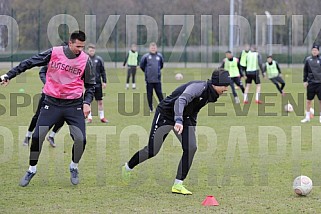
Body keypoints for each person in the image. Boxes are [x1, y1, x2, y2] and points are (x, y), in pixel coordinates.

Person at [0, 30, 95, 187]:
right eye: (78, 46)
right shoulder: (54, 53)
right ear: (70, 43)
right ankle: (31, 169)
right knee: (37, 137)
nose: (80, 50)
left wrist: (87, 102)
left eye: (82, 47)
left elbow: (91, 85)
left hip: (73, 106)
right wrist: (8, 75)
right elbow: (29, 62)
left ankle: (74, 167)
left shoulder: (86, 60)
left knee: (80, 140)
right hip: (51, 103)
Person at [121, 69, 231, 195]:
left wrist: (191, 127)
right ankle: (128, 167)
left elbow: (194, 109)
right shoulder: (199, 87)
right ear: (215, 83)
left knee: (191, 147)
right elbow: (181, 100)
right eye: (225, 85)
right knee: (152, 150)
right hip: (166, 114)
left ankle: (178, 184)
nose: (226, 88)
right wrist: (178, 120)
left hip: (185, 118)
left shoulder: (211, 94)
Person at [23, 65, 64, 147]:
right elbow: (42, 71)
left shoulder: (69, 63)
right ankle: (28, 136)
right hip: (47, 94)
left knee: (62, 117)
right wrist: (47, 83)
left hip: (62, 96)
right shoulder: (54, 61)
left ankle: (51, 136)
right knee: (38, 115)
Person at [86, 44, 108, 123]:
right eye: (90, 50)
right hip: (88, 84)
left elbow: (103, 71)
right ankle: (89, 118)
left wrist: (104, 81)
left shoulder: (99, 59)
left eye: (92, 50)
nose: (91, 52)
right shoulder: (85, 59)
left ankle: (102, 117)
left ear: (94, 50)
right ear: (88, 51)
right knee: (88, 101)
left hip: (98, 83)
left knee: (100, 101)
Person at [140, 42, 164, 112]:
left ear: (156, 48)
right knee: (149, 94)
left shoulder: (159, 56)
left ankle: (163, 107)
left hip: (157, 79)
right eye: (152, 48)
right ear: (149, 48)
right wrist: (147, 72)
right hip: (149, 79)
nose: (153, 49)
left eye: (154, 48)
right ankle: (150, 108)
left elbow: (161, 65)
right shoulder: (146, 57)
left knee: (159, 93)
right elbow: (142, 66)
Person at [301, 44, 321, 123]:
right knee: (308, 101)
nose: (314, 51)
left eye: (316, 50)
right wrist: (304, 81)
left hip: (319, 83)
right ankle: (307, 117)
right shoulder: (308, 60)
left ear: (318, 51)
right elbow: (305, 71)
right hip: (311, 83)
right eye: (313, 50)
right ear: (311, 51)